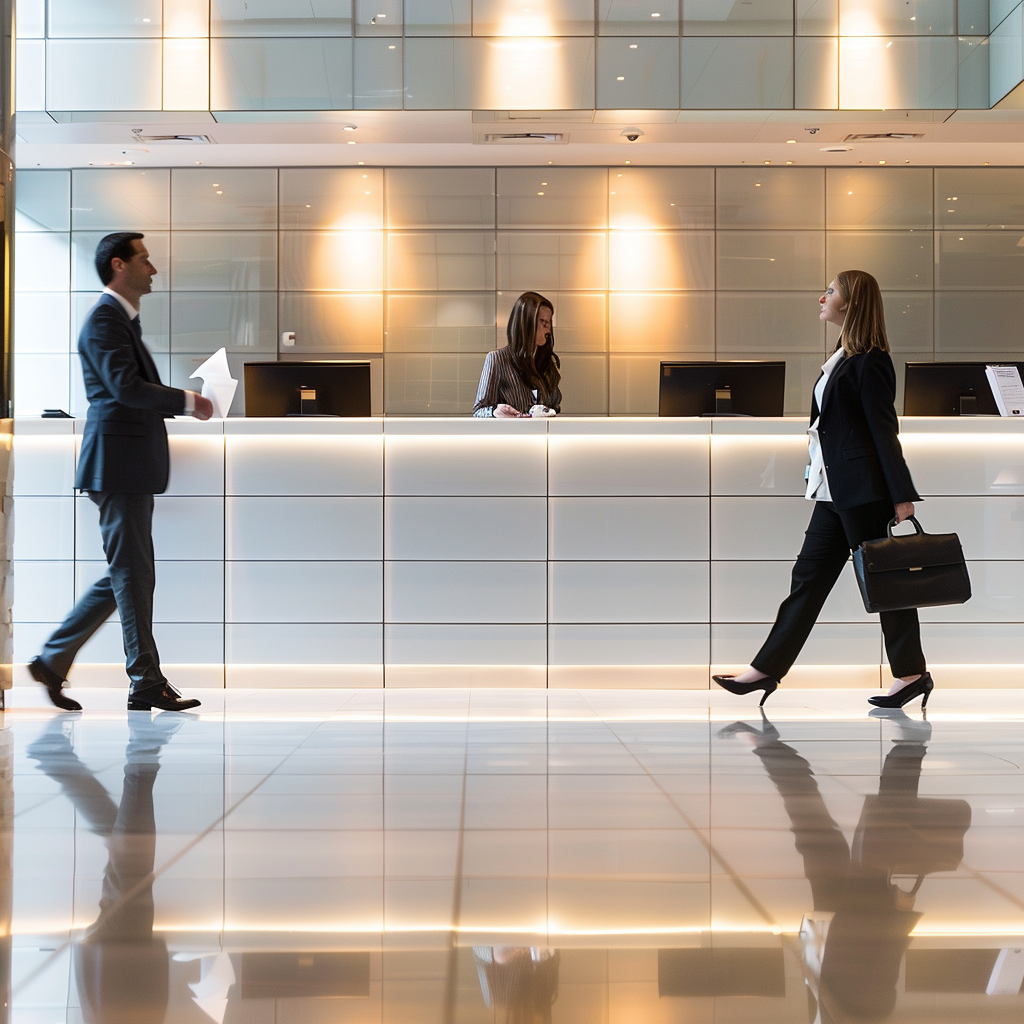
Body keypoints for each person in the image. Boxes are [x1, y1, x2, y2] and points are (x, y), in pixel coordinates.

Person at [713, 270, 932, 709]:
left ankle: (910, 674)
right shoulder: (841, 357)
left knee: (884, 583)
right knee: (809, 581)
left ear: (850, 304)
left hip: (863, 492)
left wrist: (900, 493)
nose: (822, 296)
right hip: (833, 493)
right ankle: (766, 670)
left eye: (830, 291)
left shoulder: (872, 361)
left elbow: (883, 431)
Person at [28, 233, 214, 713]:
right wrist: (188, 402)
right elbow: (126, 389)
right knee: (133, 573)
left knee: (128, 573)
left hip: (126, 465)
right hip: (117, 465)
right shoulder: (104, 320)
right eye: (145, 260)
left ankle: (54, 659)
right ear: (119, 265)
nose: (153, 270)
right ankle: (144, 680)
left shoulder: (119, 321)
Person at [718, 710, 969, 1023]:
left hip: (832, 922)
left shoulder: (837, 1014)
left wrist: (812, 962)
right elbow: (885, 965)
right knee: (873, 825)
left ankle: (768, 748)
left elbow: (836, 981)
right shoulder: (870, 1013)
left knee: (815, 829)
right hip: (863, 919)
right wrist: (901, 918)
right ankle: (912, 745)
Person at [473, 291, 561, 418]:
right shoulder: (497, 359)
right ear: (526, 324)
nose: (548, 329)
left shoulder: (546, 363)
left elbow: (554, 408)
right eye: (543, 323)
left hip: (541, 437)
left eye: (549, 323)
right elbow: (478, 411)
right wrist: (494, 412)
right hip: (510, 436)